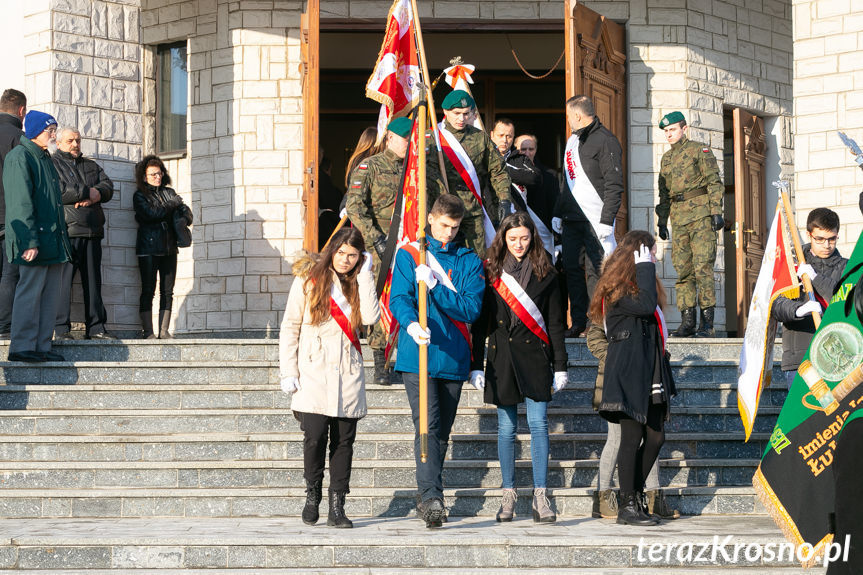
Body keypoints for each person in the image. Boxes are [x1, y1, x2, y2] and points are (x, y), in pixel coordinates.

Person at [389, 194, 485, 528]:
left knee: (442, 431)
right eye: (443, 225)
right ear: (430, 219)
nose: (448, 233)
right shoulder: (410, 254)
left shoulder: (469, 260)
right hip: (418, 354)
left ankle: (430, 493)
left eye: (455, 227)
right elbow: (397, 298)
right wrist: (411, 323)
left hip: (453, 354)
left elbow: (470, 308)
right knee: (426, 426)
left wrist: (436, 288)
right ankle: (432, 498)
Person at [469, 212, 567, 523]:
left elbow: (554, 325)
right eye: (512, 239)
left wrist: (561, 365)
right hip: (501, 358)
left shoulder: (547, 273)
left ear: (533, 238)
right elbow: (480, 322)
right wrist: (475, 364)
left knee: (538, 425)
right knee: (507, 428)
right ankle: (508, 494)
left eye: (524, 238)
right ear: (503, 240)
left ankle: (540, 494)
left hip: (536, 356)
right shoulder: (490, 272)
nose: (519, 244)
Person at [279, 227, 379, 529]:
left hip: (347, 374)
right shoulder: (308, 279)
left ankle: (338, 506)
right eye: (341, 253)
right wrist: (289, 371)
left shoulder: (358, 282)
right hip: (313, 371)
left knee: (343, 443)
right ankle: (313, 495)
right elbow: (290, 326)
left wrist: (365, 275)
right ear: (331, 250)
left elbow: (372, 318)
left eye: (352, 256)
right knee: (314, 438)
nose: (345, 260)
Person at [345, 117, 445, 386]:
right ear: (389, 138)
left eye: (412, 141)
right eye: (404, 140)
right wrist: (374, 237)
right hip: (380, 248)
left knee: (410, 296)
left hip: (412, 245)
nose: (408, 145)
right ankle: (381, 361)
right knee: (380, 299)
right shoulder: (371, 167)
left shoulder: (419, 171)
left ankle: (406, 357)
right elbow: (355, 207)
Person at [588, 230, 675, 526]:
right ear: (635, 257)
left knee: (656, 436)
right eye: (650, 253)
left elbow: (652, 310)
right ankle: (627, 505)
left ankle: (634, 495)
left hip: (648, 369)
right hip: (628, 371)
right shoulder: (617, 289)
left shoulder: (640, 283)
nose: (653, 258)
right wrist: (646, 268)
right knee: (631, 437)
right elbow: (646, 306)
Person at [585, 321, 680, 520]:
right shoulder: (610, 298)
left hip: (644, 378)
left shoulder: (644, 303)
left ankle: (652, 495)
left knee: (649, 439)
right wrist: (617, 358)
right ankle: (604, 497)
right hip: (617, 381)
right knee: (617, 438)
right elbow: (594, 337)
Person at [2, 110, 71, 362]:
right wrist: (28, 241)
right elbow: (20, 202)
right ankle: (22, 346)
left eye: (54, 130)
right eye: (49, 130)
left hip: (52, 241)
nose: (53, 135)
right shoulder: (19, 157)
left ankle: (42, 346)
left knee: (49, 296)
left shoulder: (44, 158)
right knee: (30, 293)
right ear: (33, 132)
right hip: (35, 241)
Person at [553, 95, 624, 338]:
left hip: (595, 221)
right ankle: (579, 322)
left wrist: (607, 220)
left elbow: (614, 185)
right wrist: (557, 212)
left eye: (568, 116)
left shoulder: (606, 141)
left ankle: (597, 324)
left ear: (578, 116)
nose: (568, 121)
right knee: (572, 269)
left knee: (597, 272)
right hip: (572, 220)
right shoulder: (573, 141)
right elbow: (567, 183)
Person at [654, 111, 724, 338]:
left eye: (672, 129)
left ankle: (707, 324)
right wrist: (662, 221)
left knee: (702, 267)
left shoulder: (699, 150)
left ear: (684, 129)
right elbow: (664, 194)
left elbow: (714, 182)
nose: (669, 134)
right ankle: (687, 322)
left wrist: (716, 211)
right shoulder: (666, 159)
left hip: (701, 215)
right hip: (679, 218)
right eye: (666, 131)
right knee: (683, 270)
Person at [51, 127, 115, 340]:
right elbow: (58, 191)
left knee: (93, 282)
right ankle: (60, 328)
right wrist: (89, 192)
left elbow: (107, 185)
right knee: (63, 282)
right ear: (59, 143)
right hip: (67, 232)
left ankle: (96, 327)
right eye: (70, 141)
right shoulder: (52, 164)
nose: (75, 144)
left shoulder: (90, 165)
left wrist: (95, 197)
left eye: (78, 140)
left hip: (93, 231)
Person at [771, 208, 846, 384]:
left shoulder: (847, 268)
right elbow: (775, 304)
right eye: (820, 239)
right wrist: (799, 310)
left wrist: (815, 278)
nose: (826, 245)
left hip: (838, 361)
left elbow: (845, 303)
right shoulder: (791, 265)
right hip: (800, 359)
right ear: (808, 235)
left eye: (832, 239)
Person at [438, 90, 512, 258]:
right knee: (444, 262)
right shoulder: (433, 137)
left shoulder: (480, 138)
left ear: (472, 113)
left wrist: (504, 200)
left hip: (472, 210)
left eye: (466, 114)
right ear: (445, 112)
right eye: (456, 113)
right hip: (443, 211)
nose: (461, 118)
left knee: (476, 260)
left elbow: (498, 170)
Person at [133, 156, 192, 339]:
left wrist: (183, 214)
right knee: (148, 290)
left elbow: (186, 212)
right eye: (153, 174)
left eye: (159, 173)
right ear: (144, 177)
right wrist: (172, 205)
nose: (157, 177)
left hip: (169, 247)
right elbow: (152, 214)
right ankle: (148, 331)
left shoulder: (169, 192)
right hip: (148, 248)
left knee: (168, 291)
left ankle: (164, 331)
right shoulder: (140, 195)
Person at [0, 89, 27, 338]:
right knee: (11, 274)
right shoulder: (18, 138)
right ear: (21, 111)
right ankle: (5, 329)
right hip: (11, 218)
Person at [516, 134, 560, 232]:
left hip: (543, 231)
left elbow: (554, 207)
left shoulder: (550, 175)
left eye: (531, 149)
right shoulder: (507, 172)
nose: (527, 153)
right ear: (516, 150)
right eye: (523, 149)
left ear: (536, 150)